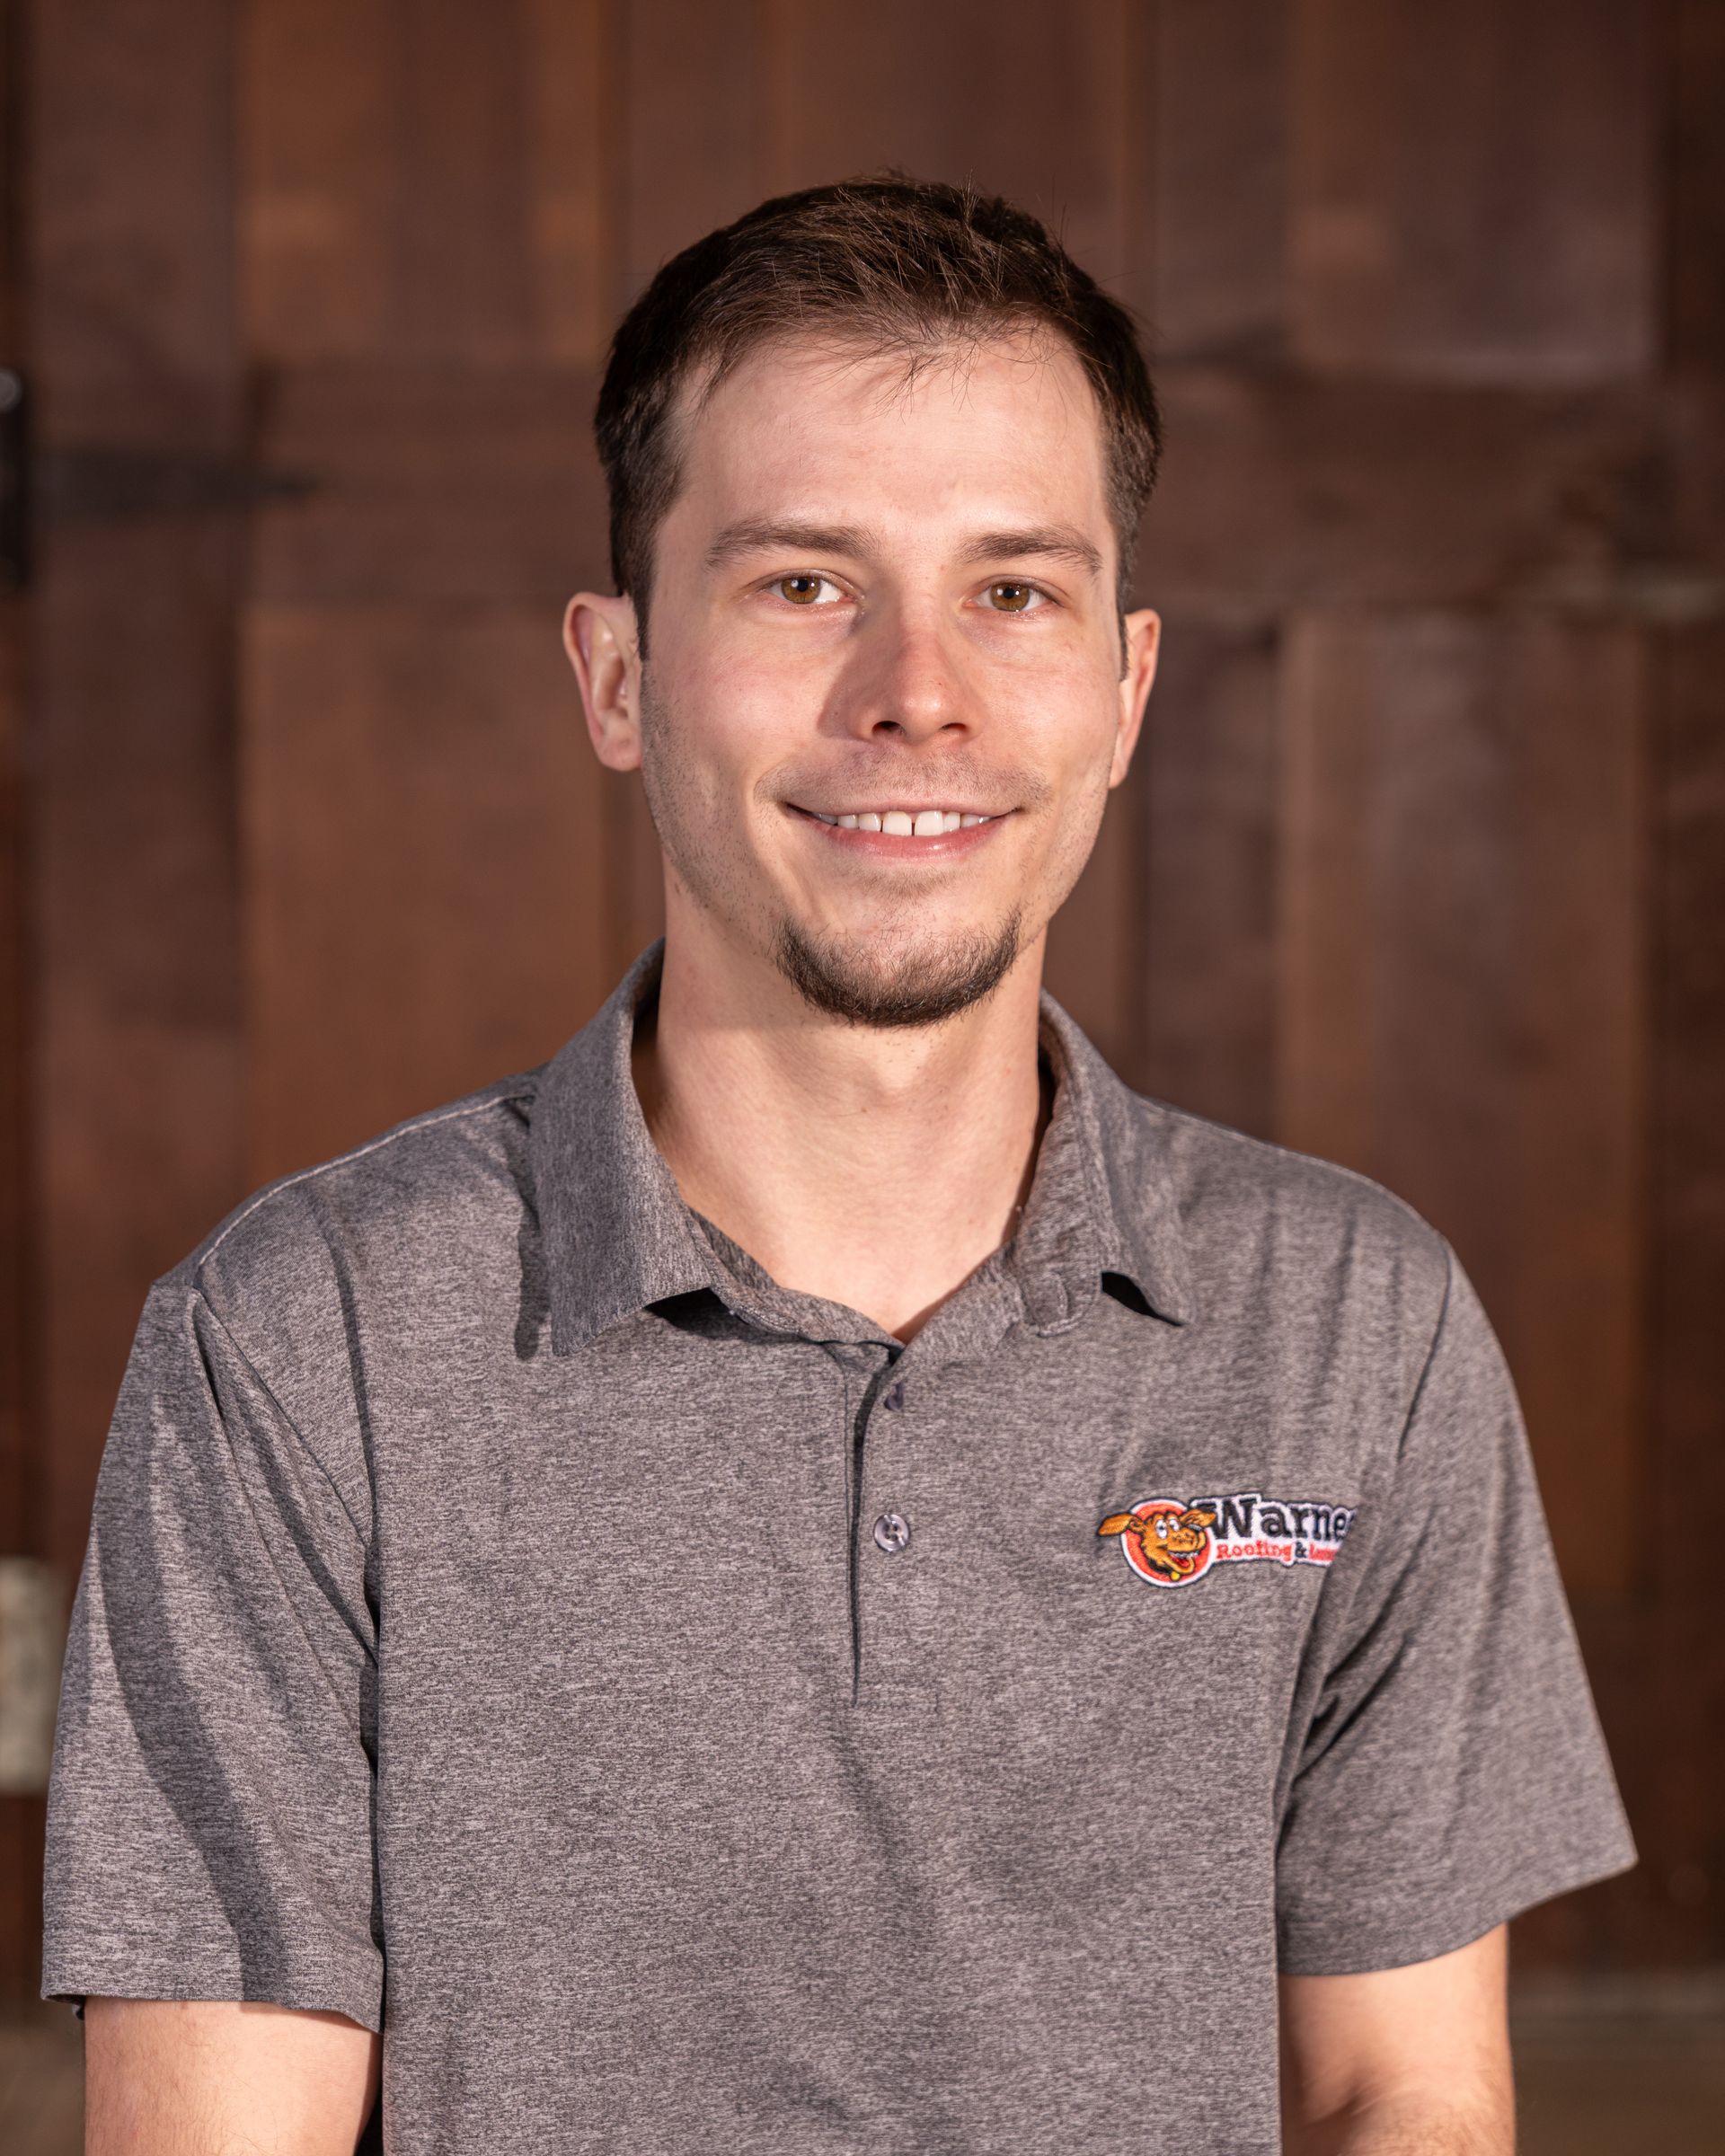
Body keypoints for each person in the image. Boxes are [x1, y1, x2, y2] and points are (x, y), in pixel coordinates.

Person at [43, 175, 1635, 2156]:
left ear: (1126, 691)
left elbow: (1402, 2093)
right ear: (617, 677)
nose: (918, 690)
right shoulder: (295, 1350)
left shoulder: (1357, 1327)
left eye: (1014, 590)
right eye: (803, 582)